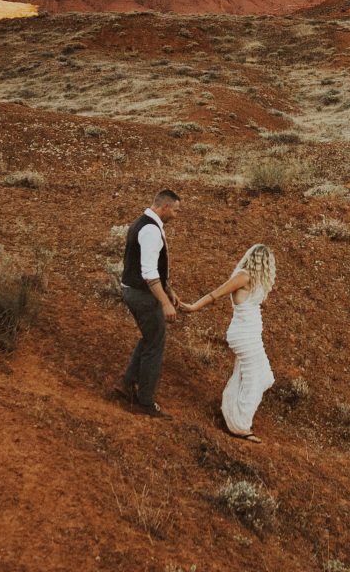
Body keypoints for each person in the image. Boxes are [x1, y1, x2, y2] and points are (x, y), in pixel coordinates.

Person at [187, 242, 277, 441]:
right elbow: (215, 294)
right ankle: (240, 426)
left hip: (252, 334)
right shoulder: (243, 276)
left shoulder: (256, 280)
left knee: (264, 376)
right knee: (254, 378)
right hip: (244, 334)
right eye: (266, 261)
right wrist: (193, 307)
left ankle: (230, 410)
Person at [116, 189, 183, 417]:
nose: (175, 215)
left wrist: (168, 289)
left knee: (150, 337)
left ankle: (128, 382)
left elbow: (153, 267)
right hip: (142, 294)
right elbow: (148, 272)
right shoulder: (150, 231)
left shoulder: (144, 224)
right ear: (164, 207)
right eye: (174, 210)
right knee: (155, 343)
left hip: (136, 291)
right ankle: (145, 401)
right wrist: (164, 302)